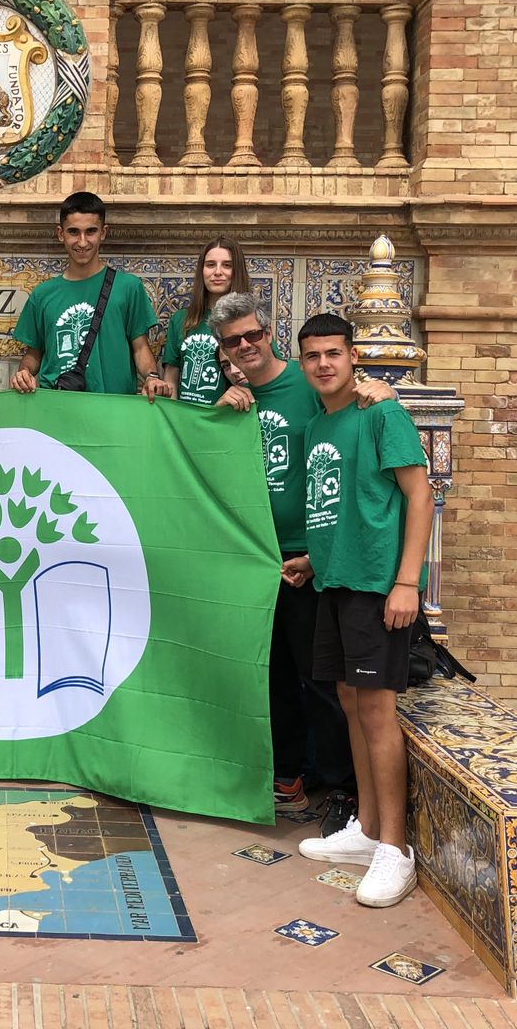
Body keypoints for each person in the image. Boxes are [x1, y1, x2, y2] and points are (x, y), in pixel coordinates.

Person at [208, 293, 397, 819]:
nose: (245, 346)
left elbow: (350, 413)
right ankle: (287, 775)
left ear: (268, 333)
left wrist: (378, 387)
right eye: (233, 342)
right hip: (255, 551)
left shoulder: (308, 382)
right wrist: (220, 413)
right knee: (269, 669)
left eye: (252, 335)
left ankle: (343, 786)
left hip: (313, 550)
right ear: (223, 351)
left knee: (323, 675)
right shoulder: (234, 396)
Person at [284, 313, 431, 909]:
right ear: (303, 363)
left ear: (352, 358)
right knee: (348, 701)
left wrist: (406, 582)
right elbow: (346, 507)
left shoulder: (381, 414)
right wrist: (313, 563)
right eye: (314, 355)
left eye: (334, 353)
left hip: (376, 587)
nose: (324, 364)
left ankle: (396, 850)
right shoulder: (321, 425)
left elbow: (419, 493)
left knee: (377, 710)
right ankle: (367, 830)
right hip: (335, 583)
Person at [9, 191, 171, 400]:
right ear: (61, 234)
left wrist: (151, 376)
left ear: (103, 232)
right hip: (57, 405)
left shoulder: (128, 287)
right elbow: (34, 354)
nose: (83, 242)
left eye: (91, 231)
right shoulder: (42, 294)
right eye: (74, 232)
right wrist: (24, 374)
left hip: (112, 407)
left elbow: (140, 347)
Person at [162, 237, 252, 406]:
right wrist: (171, 418)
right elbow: (171, 378)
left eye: (227, 265)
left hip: (230, 418)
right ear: (202, 270)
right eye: (210, 264)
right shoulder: (181, 319)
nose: (217, 272)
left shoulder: (251, 321)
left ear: (237, 271)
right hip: (187, 419)